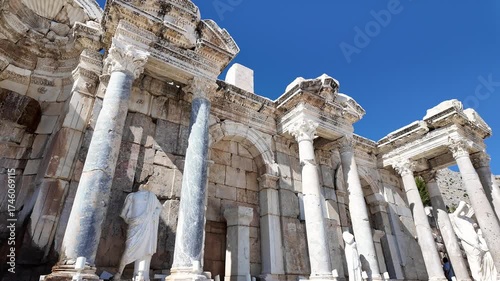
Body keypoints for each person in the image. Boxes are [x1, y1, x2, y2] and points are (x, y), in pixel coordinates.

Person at [113, 187, 162, 281]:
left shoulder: (151, 197)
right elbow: (123, 214)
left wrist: (149, 217)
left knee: (142, 250)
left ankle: (140, 275)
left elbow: (123, 214)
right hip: (136, 226)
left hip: (144, 226)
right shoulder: (133, 196)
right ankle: (119, 273)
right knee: (129, 250)